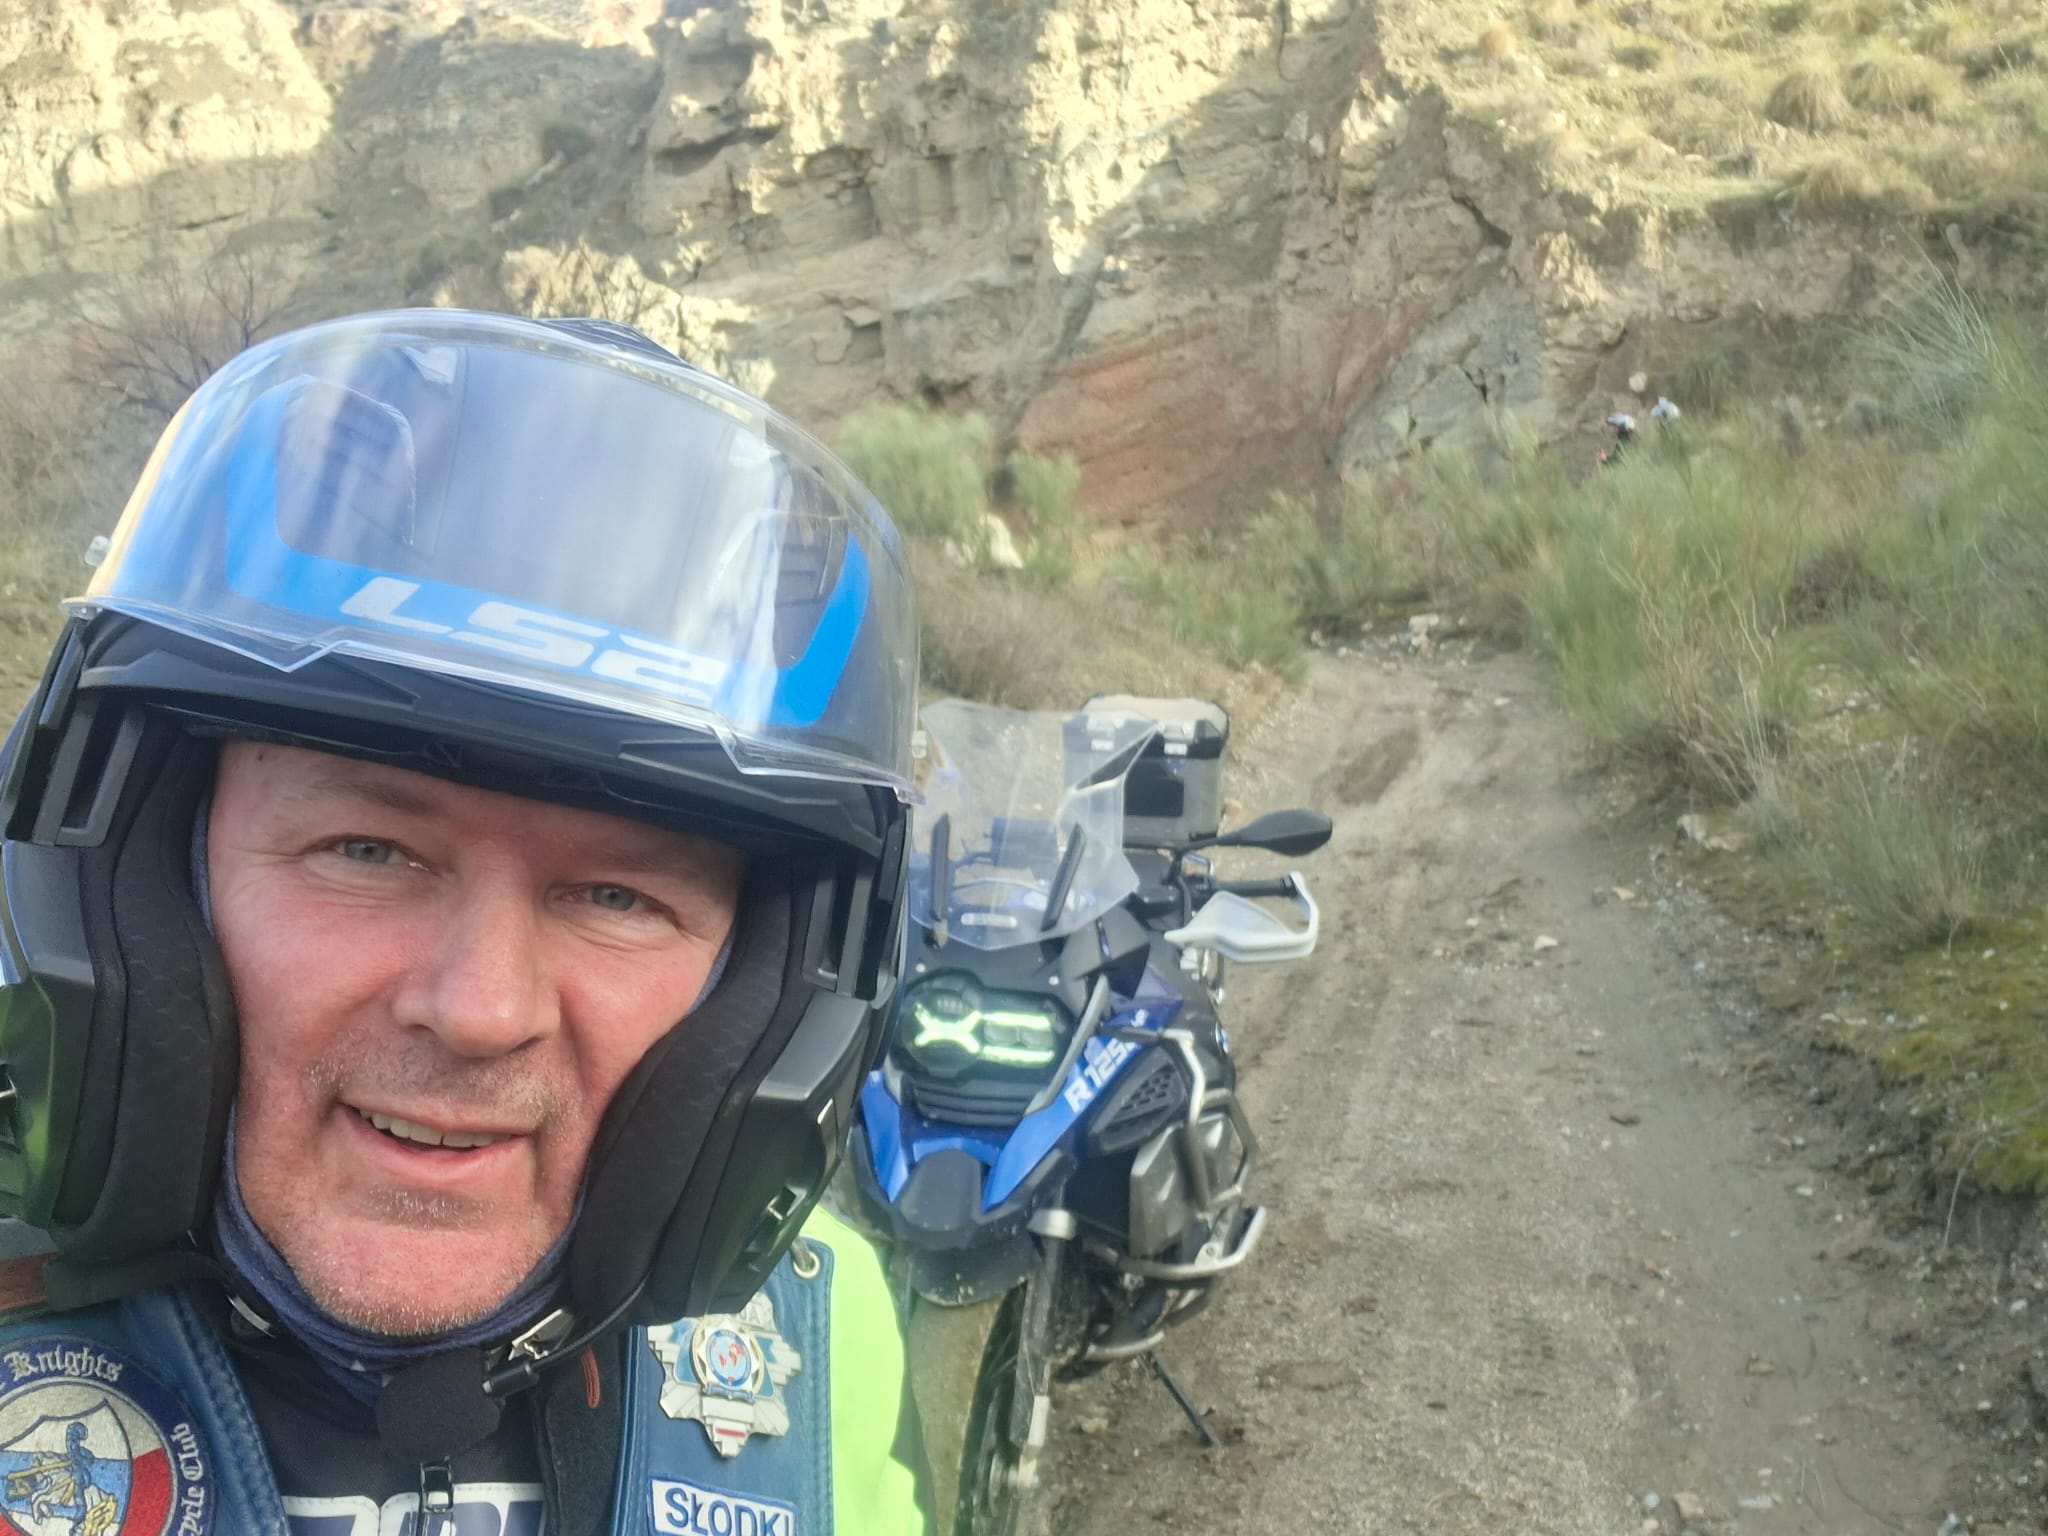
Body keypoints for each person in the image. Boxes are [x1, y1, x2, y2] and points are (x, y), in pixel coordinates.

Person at [0, 310, 930, 1535]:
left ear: (762, 999)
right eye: (367, 851)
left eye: (617, 897)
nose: (481, 1010)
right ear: (145, 887)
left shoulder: (824, 1324)